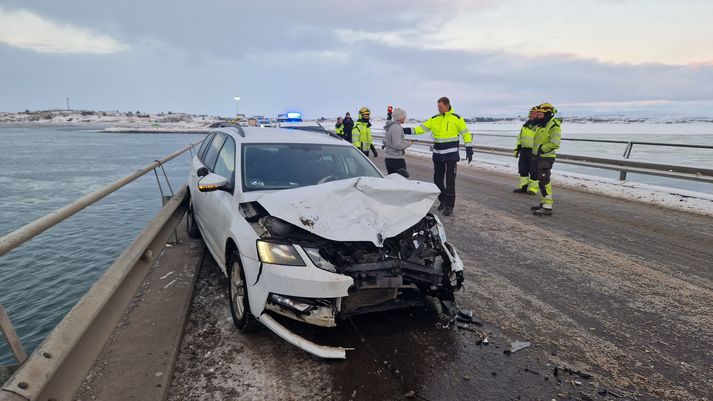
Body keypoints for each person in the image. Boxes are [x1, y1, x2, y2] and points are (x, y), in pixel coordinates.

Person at [409, 97, 473, 216]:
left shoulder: (457, 118)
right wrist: (403, 130)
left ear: (447, 105)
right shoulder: (434, 119)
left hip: (451, 156)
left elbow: (466, 133)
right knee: (437, 180)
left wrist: (469, 148)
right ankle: (443, 200)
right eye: (438, 106)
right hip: (438, 155)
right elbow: (419, 130)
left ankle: (449, 206)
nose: (438, 108)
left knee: (450, 181)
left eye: (440, 106)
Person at [530, 103, 562, 216]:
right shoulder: (542, 124)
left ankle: (548, 207)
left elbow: (555, 143)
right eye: (538, 114)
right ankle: (544, 202)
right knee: (540, 180)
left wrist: (542, 150)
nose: (538, 116)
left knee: (544, 180)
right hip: (538, 156)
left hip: (546, 156)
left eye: (540, 114)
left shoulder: (554, 126)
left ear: (547, 113)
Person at [513, 107, 539, 194]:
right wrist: (517, 148)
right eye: (531, 113)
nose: (531, 115)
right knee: (523, 169)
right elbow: (520, 138)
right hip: (524, 150)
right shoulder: (525, 125)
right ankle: (523, 187)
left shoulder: (539, 125)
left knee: (534, 170)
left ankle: (533, 189)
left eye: (534, 113)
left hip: (534, 151)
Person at [383, 107, 412, 177]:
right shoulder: (396, 128)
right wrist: (409, 143)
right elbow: (397, 145)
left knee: (393, 182)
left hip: (389, 159)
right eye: (404, 116)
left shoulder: (390, 127)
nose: (405, 118)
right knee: (402, 181)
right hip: (396, 159)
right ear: (400, 117)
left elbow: (385, 141)